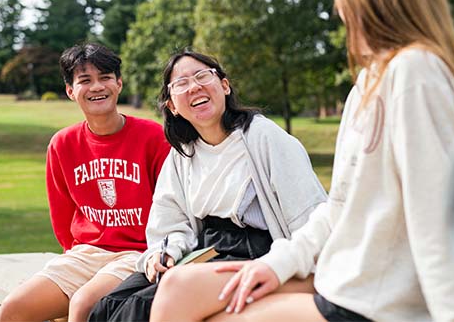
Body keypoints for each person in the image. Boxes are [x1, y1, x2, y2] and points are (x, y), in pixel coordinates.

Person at [149, 0, 454, 321]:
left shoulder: (416, 73)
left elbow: (438, 219)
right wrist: (275, 266)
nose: (342, 13)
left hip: (370, 300)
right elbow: (338, 208)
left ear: (379, 1)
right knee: (176, 289)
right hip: (341, 276)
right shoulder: (369, 83)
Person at [88, 50, 327, 322]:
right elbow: (170, 220)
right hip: (203, 250)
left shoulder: (264, 138)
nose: (194, 87)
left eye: (202, 76)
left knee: (142, 309)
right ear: (172, 106)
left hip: (255, 251)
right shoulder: (182, 154)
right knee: (109, 306)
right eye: (181, 83)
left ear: (224, 86)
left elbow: (309, 215)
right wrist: (163, 254)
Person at [0, 43, 170, 322]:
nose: (97, 87)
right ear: (70, 91)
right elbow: (62, 215)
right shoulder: (62, 144)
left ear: (119, 83)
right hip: (86, 253)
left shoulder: (153, 137)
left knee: (82, 306)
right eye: (85, 80)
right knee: (13, 308)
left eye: (105, 78)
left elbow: (172, 206)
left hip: (138, 252)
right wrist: (76, 253)